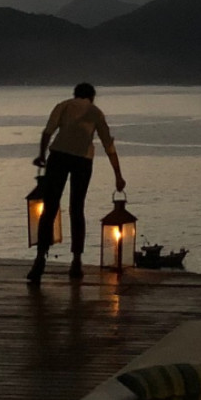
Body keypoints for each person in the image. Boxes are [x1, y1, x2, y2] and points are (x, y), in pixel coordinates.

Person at [27, 81, 125, 284]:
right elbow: (109, 145)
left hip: (59, 155)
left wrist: (41, 155)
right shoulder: (96, 112)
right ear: (92, 97)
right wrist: (118, 175)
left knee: (50, 207)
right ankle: (77, 261)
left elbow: (48, 132)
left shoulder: (63, 105)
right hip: (83, 160)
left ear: (75, 94)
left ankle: (40, 259)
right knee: (77, 208)